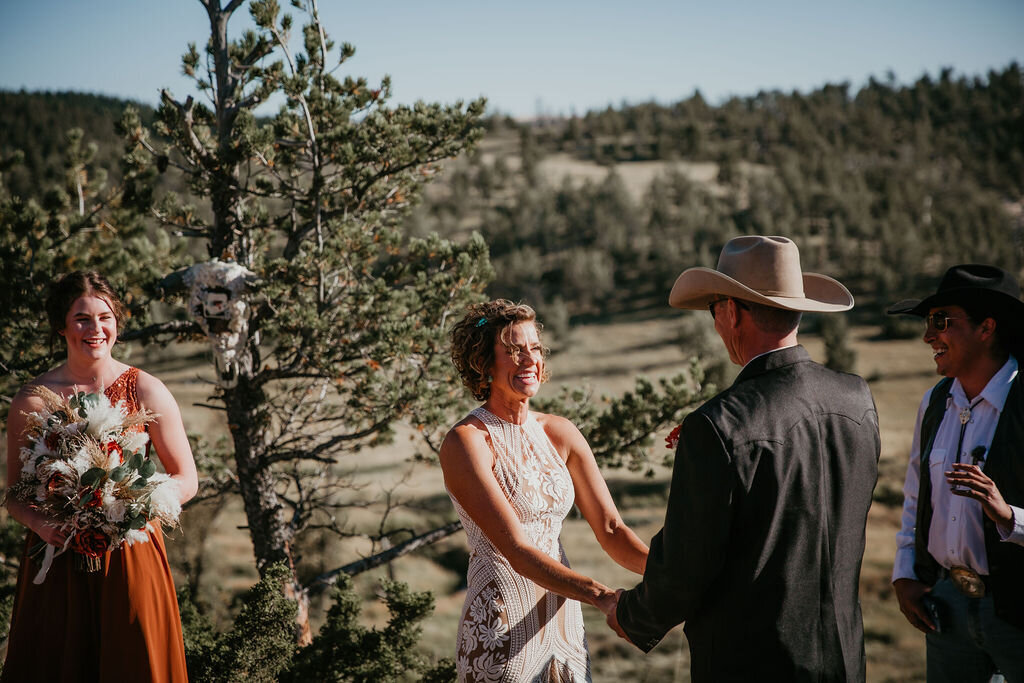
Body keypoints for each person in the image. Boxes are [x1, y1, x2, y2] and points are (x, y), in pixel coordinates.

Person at [607, 235, 881, 682]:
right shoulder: (857, 398)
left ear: (732, 312)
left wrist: (632, 614)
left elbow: (685, 566)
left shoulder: (719, 424)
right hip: (845, 661)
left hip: (750, 665)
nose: (715, 323)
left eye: (714, 309)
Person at [3, 271, 198, 683]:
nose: (96, 329)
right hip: (56, 561)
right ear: (61, 325)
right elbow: (15, 495)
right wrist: (43, 524)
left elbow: (186, 477)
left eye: (105, 318)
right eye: (82, 319)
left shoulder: (145, 389)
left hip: (131, 557)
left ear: (117, 323)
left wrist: (135, 504)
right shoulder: (32, 399)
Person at [441, 299, 649, 682]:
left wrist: (675, 572)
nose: (528, 360)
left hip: (565, 629)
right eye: (513, 351)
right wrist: (600, 595)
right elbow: (518, 552)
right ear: (483, 364)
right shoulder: (466, 442)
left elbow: (611, 530)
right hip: (499, 632)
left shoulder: (560, 432)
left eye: (534, 348)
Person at [888, 264, 1024, 683]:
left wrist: (1010, 518)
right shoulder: (934, 402)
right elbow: (916, 497)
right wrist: (906, 573)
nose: (929, 335)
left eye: (940, 321)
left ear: (987, 328)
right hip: (946, 605)